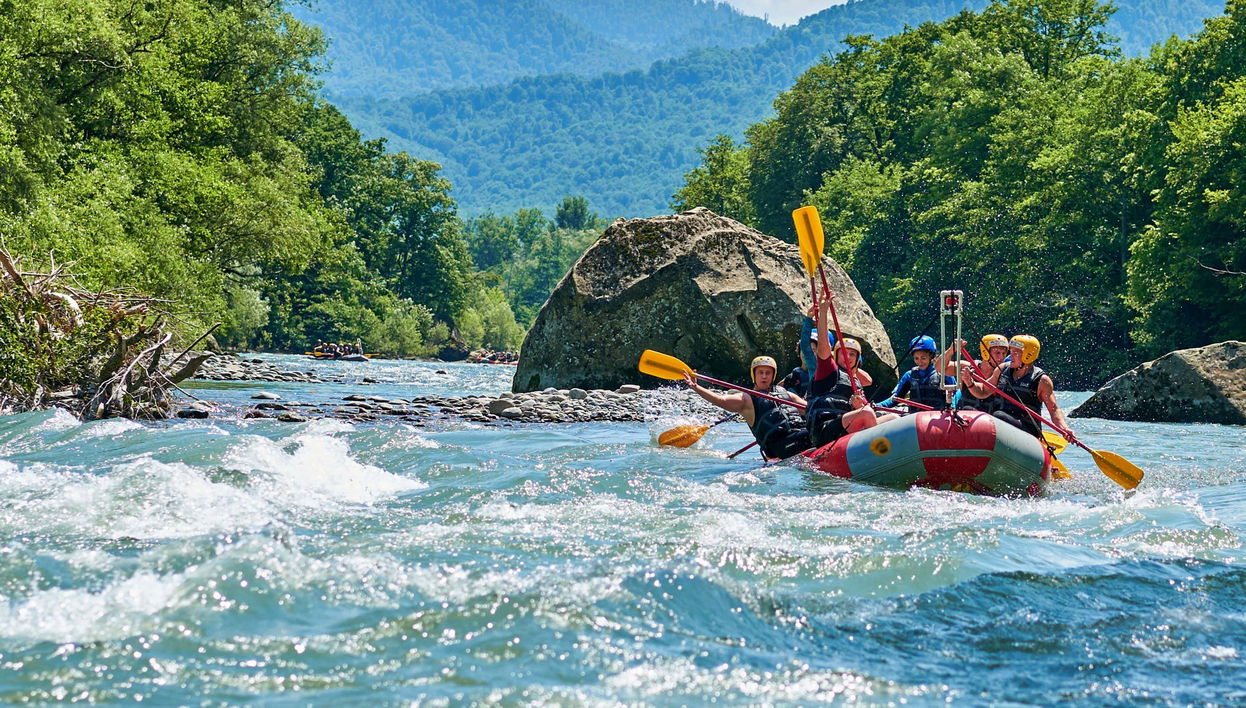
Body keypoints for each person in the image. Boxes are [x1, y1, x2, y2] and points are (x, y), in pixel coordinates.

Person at [683, 355, 810, 460]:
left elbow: (810, 409)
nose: (764, 376)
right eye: (760, 373)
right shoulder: (747, 399)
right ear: (754, 375)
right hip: (780, 446)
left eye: (768, 373)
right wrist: (696, 387)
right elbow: (720, 400)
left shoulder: (786, 394)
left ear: (773, 375)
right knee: (812, 436)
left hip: (800, 436)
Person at [804, 304, 895, 448]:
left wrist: (858, 406)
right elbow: (823, 346)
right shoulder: (828, 370)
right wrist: (823, 312)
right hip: (824, 429)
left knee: (893, 418)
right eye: (844, 353)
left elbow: (865, 406)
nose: (848, 357)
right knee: (865, 413)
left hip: (845, 426)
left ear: (858, 359)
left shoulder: (856, 382)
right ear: (836, 355)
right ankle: (878, 451)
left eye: (852, 354)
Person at [967, 335, 1073, 440]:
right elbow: (982, 392)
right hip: (1001, 425)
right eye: (1011, 352)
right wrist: (969, 382)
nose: (1010, 356)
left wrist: (1064, 428)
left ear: (1028, 355)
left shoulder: (1041, 380)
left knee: (999, 415)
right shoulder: (1002, 370)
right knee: (979, 412)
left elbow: (1054, 410)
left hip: (1026, 431)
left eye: (1015, 353)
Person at [877, 335, 956, 410]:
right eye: (916, 358)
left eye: (923, 358)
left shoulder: (944, 374)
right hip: (915, 418)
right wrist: (876, 405)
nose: (920, 362)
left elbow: (956, 393)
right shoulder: (909, 375)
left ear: (931, 356)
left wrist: (953, 406)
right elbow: (895, 399)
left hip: (937, 417)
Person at [956, 334, 1008, 412]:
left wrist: (969, 382)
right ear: (985, 352)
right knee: (967, 409)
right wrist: (951, 350)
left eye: (1004, 353)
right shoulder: (968, 366)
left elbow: (983, 391)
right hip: (966, 415)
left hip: (992, 420)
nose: (1001, 357)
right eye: (997, 353)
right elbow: (940, 367)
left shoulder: (1004, 372)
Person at [781, 307, 818, 398]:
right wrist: (808, 318)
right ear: (799, 353)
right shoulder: (792, 376)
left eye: (813, 350)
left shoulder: (820, 371)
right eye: (804, 351)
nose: (807, 354)